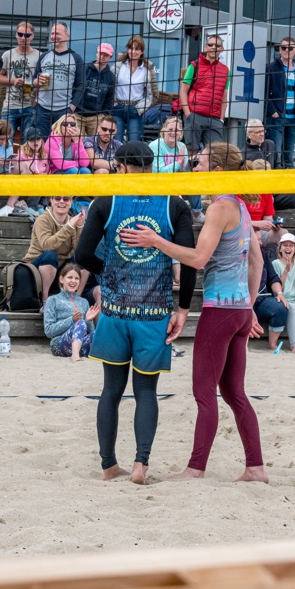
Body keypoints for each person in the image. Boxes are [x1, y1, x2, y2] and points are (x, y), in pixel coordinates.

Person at [119, 141, 267, 483]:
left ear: (217, 170)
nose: (194, 168)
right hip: (239, 311)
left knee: (204, 392)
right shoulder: (241, 206)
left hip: (220, 311)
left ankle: (195, 469)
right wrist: (249, 306)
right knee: (234, 393)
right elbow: (257, 262)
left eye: (199, 163)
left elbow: (198, 259)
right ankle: (255, 467)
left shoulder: (220, 208)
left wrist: (156, 241)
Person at [73, 141, 197, 484]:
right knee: (146, 392)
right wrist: (184, 308)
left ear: (122, 166)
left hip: (115, 312)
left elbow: (81, 255)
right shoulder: (174, 204)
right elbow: (189, 262)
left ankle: (108, 466)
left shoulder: (106, 201)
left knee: (110, 391)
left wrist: (108, 272)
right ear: (150, 165)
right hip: (154, 314)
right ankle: (141, 465)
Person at [24, 194, 85, 305]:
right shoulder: (42, 219)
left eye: (66, 199)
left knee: (83, 260)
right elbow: (47, 246)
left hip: (59, 270)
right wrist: (69, 227)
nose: (61, 201)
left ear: (71, 202)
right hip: (37, 268)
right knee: (50, 255)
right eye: (57, 198)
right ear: (51, 200)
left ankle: (75, 300)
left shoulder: (72, 221)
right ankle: (45, 301)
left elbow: (79, 250)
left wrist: (79, 227)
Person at [179, 34, 229, 155]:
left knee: (215, 154)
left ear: (222, 49)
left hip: (215, 119)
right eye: (210, 45)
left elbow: (224, 97)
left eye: (217, 45)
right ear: (205, 47)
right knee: (192, 151)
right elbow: (183, 91)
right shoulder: (194, 65)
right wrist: (188, 114)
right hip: (195, 115)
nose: (213, 47)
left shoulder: (226, 70)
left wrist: (221, 119)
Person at [33, 22, 85, 137]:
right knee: (41, 142)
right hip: (42, 109)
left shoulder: (76, 58)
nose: (53, 36)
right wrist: (37, 81)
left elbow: (81, 85)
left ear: (67, 36)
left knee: (61, 143)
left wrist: (72, 107)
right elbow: (34, 80)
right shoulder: (44, 56)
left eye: (57, 33)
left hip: (63, 110)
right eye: (52, 33)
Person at [43, 263, 99, 362]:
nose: (73, 281)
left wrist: (89, 320)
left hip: (82, 344)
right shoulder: (53, 300)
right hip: (59, 344)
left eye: (76, 278)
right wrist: (72, 320)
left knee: (101, 332)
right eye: (70, 277)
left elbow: (90, 332)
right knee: (80, 323)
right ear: (61, 279)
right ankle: (75, 355)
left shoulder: (84, 302)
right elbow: (48, 331)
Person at [0, 21, 40, 141]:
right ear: (16, 35)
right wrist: (12, 81)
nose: (23, 38)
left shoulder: (39, 56)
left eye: (27, 35)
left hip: (30, 105)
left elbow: (44, 82)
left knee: (28, 143)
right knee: (5, 141)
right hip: (10, 105)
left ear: (32, 36)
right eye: (20, 34)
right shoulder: (7, 55)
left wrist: (36, 99)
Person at [111, 35, 159, 144]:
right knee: (116, 142)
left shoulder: (147, 70)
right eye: (131, 48)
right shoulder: (118, 66)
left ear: (142, 51)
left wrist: (141, 107)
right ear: (127, 49)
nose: (133, 52)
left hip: (135, 110)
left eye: (137, 49)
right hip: (117, 108)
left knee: (134, 143)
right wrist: (112, 102)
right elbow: (109, 86)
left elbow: (153, 94)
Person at [0, 127, 49, 219]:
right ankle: (27, 206)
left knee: (45, 178)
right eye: (32, 140)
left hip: (35, 184)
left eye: (38, 139)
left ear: (42, 140)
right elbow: (19, 169)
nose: (35, 142)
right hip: (20, 180)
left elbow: (46, 171)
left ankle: (40, 206)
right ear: (27, 141)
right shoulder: (22, 153)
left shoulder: (45, 155)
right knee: (28, 168)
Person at [264, 36, 295, 169]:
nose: (287, 50)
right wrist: (272, 111)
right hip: (276, 117)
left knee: (289, 155)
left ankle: (289, 182)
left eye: (290, 48)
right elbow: (264, 91)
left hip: (292, 118)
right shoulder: (271, 67)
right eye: (284, 47)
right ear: (279, 49)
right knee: (276, 155)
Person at [77, 43, 115, 136]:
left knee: (95, 142)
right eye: (100, 53)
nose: (102, 57)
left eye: (106, 55)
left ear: (110, 57)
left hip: (96, 116)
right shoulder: (84, 69)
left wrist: (104, 115)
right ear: (96, 53)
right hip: (78, 114)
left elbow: (109, 99)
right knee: (77, 142)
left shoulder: (111, 77)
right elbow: (75, 89)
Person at [253, 254, 288, 350]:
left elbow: (273, 278)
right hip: (239, 299)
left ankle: (273, 344)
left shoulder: (263, 255)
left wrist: (279, 293)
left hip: (261, 299)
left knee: (280, 306)